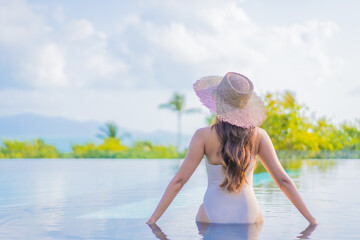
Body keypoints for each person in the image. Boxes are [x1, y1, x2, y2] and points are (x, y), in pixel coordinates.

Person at [146, 72, 318, 226]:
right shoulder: (259, 136)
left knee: (201, 211)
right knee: (257, 218)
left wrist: (152, 221)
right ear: (245, 105)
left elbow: (179, 182)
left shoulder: (203, 136)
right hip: (249, 213)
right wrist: (312, 221)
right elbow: (283, 181)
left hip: (213, 213)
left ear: (216, 99)